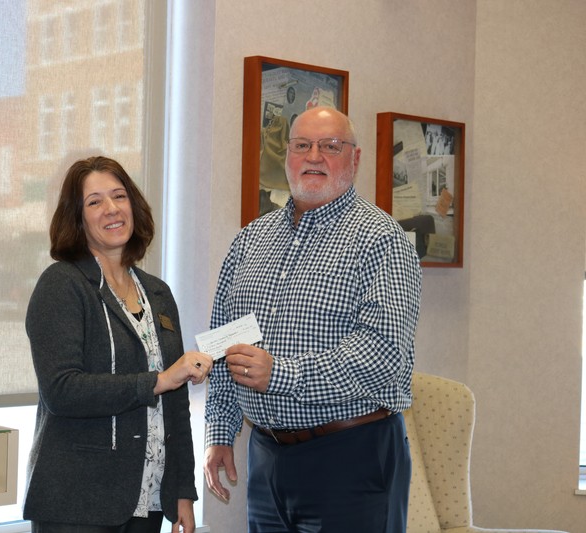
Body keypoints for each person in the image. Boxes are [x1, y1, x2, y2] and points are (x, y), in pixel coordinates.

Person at [204, 107, 422, 532]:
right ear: (287, 157)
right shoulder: (251, 239)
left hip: (353, 456)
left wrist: (280, 373)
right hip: (266, 459)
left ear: (355, 160)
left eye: (330, 146)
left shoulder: (382, 240)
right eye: (302, 145)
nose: (314, 156)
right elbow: (223, 345)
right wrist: (220, 431)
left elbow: (382, 355)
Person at [24, 155, 214, 533]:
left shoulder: (157, 293)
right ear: (77, 218)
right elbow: (61, 390)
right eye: (94, 202)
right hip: (78, 502)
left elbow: (175, 406)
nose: (111, 209)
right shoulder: (62, 285)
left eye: (119, 196)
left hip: (147, 498)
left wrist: (182, 493)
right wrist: (156, 380)